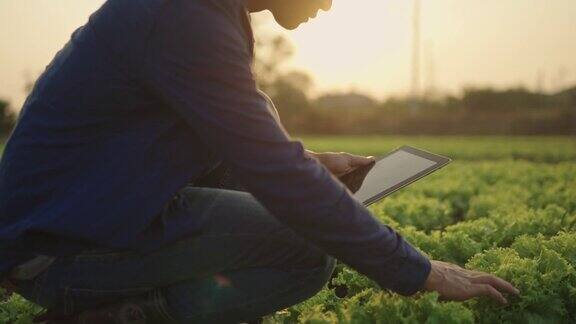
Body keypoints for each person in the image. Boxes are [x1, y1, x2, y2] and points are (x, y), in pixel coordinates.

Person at [0, 0, 519, 323]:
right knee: (307, 250)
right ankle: (111, 317)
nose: (332, 4)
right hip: (57, 250)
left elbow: (230, 141)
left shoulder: (199, 13)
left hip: (80, 218)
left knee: (273, 188)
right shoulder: (186, 17)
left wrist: (310, 162)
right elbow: (274, 172)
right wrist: (418, 270)